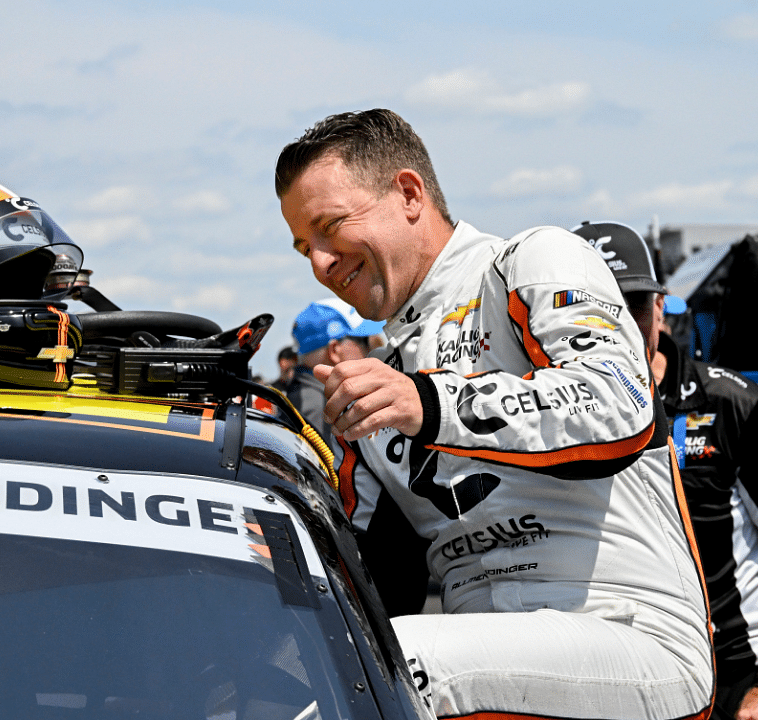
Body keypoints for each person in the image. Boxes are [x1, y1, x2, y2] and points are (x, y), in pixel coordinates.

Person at [275, 109, 712, 719]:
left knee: (373, 667)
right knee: (286, 676)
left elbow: (621, 410)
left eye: (330, 226)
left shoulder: (530, 260)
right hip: (477, 650)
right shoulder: (378, 376)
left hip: (630, 633)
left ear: (408, 194)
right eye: (304, 247)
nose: (320, 263)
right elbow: (375, 579)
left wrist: (429, 403)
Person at [575, 220, 758, 720]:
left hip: (737, 681)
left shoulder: (730, 403)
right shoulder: (542, 419)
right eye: (596, 311)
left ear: (660, 308)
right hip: (615, 680)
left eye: (630, 306)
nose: (618, 328)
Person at [286, 298, 377, 462]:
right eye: (363, 341)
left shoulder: (308, 396)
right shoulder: (318, 407)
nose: (370, 349)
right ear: (335, 350)